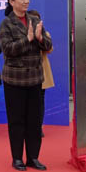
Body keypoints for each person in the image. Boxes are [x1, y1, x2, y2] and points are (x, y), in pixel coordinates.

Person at [0, 0, 52, 171]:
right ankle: (17, 158)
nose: (26, 1)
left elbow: (48, 44)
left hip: (35, 79)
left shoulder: (35, 20)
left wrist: (39, 38)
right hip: (15, 79)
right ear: (11, 1)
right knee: (17, 120)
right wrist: (27, 39)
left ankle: (33, 157)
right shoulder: (6, 23)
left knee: (34, 121)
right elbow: (7, 49)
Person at [27, 9, 54, 137]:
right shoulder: (22, 33)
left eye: (37, 19)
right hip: (25, 72)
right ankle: (27, 127)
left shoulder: (45, 33)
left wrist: (40, 38)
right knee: (26, 102)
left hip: (41, 70)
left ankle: (38, 127)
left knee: (39, 101)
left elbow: (49, 49)